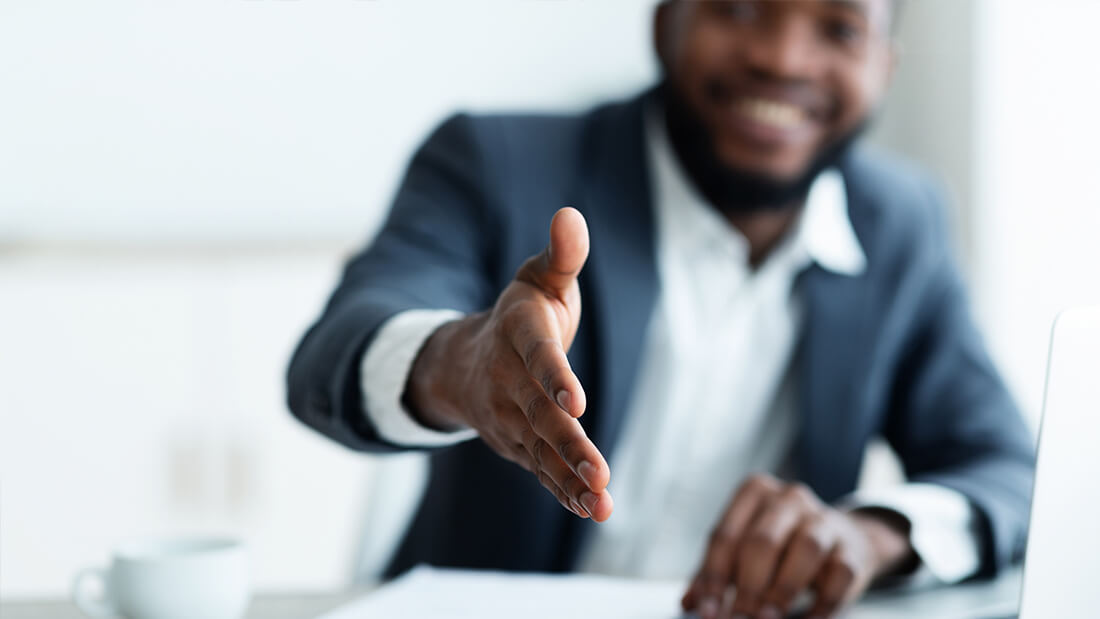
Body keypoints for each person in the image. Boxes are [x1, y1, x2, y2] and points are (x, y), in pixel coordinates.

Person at [287, 1, 1035, 617]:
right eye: (741, 9)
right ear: (665, 21)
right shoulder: (496, 161)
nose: (783, 59)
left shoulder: (901, 224)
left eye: (838, 28)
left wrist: (871, 534)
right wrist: (462, 364)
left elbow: (1005, 469)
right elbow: (333, 353)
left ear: (884, 64)